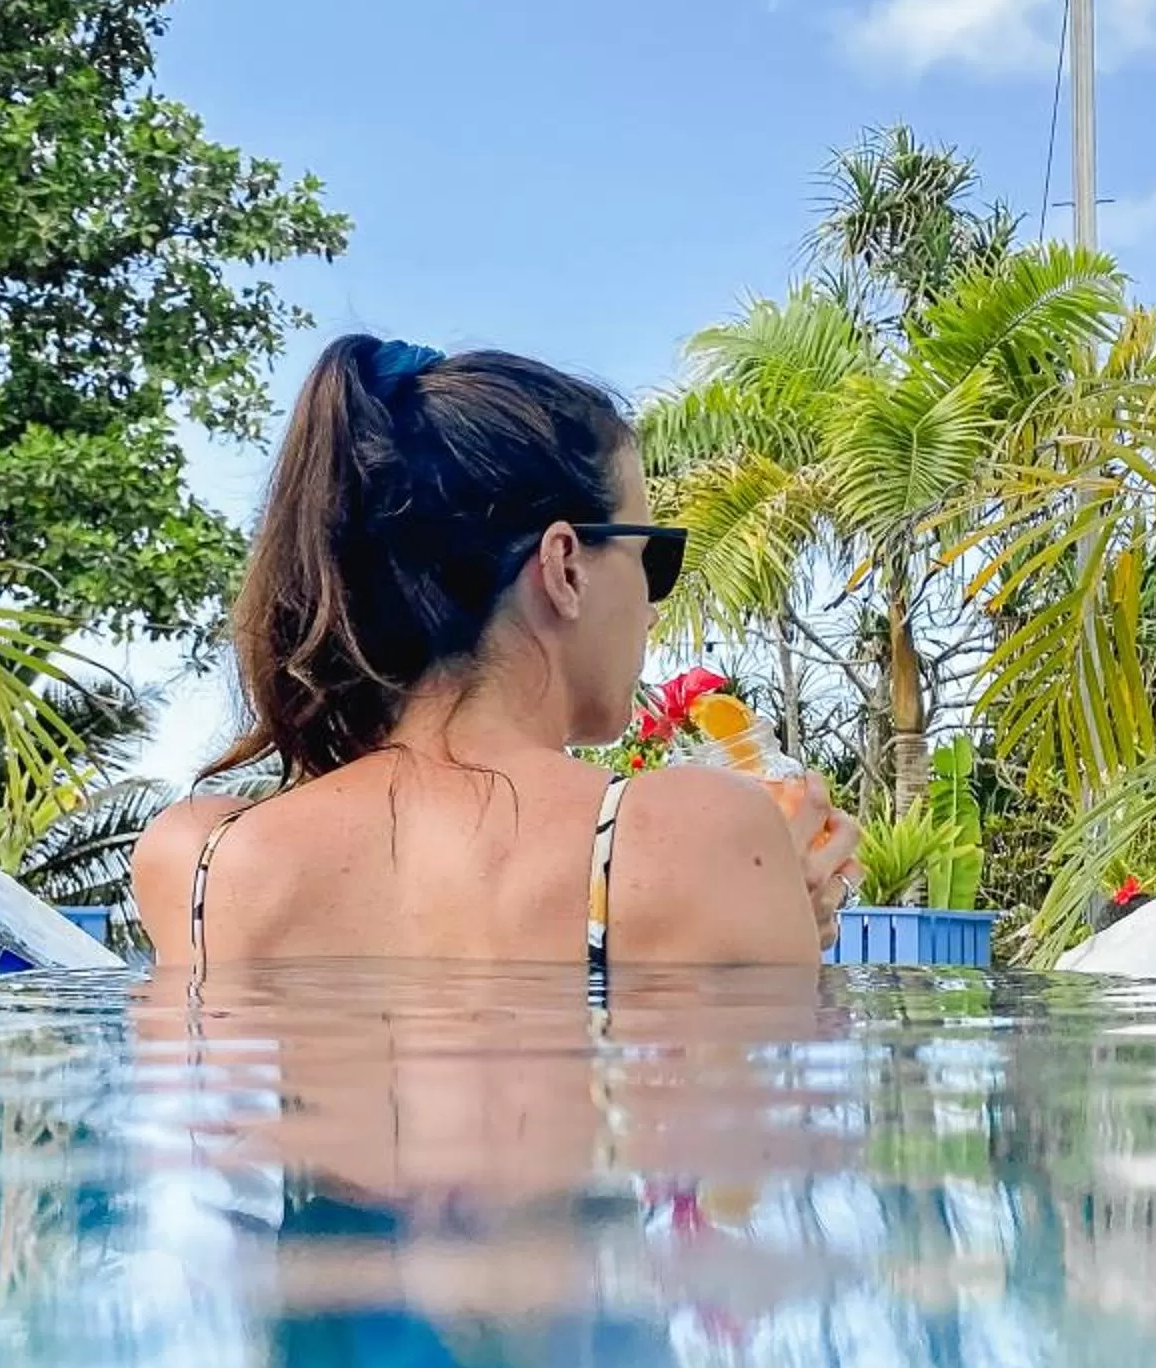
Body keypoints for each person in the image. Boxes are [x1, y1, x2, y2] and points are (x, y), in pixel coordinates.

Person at [135, 335, 860, 971]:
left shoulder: (198, 860)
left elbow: (219, 1119)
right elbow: (774, 1121)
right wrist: (777, 910)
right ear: (566, 566)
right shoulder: (694, 832)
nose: (652, 602)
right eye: (652, 558)